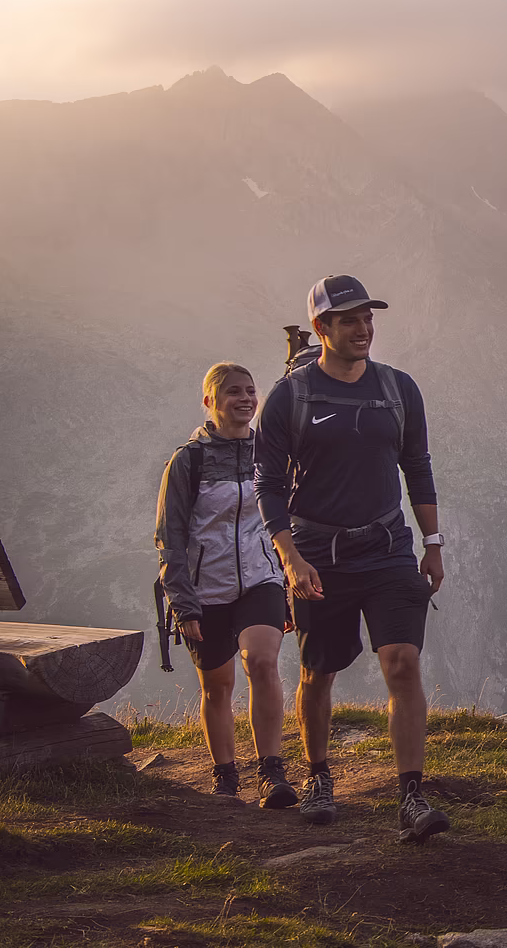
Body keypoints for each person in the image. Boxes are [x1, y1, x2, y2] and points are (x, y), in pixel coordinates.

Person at [254, 274, 449, 842]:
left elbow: (418, 466)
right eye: (348, 320)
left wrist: (432, 543)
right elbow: (267, 482)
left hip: (388, 549)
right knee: (318, 672)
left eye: (368, 317)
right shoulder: (291, 397)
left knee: (403, 664)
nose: (363, 328)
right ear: (321, 328)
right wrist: (289, 557)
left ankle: (411, 796)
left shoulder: (398, 388)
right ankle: (319, 776)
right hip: (318, 557)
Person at [155, 362, 298, 807]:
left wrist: (292, 578)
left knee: (262, 661)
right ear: (210, 401)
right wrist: (183, 604)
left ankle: (271, 772)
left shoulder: (271, 452)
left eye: (251, 391)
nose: (246, 399)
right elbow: (169, 537)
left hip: (262, 578)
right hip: (205, 589)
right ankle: (225, 776)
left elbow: (290, 518)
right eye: (234, 391)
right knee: (217, 686)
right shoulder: (188, 461)